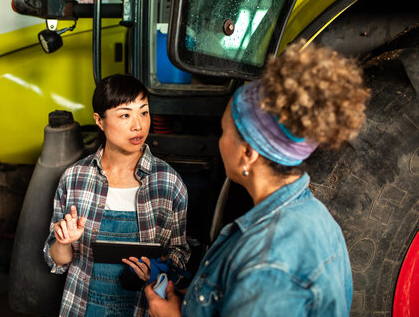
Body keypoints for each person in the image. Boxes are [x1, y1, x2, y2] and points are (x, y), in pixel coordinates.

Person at [145, 41, 370, 316]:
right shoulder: (315, 216)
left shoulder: (266, 263)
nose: (220, 141)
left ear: (248, 153)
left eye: (223, 131)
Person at [43, 74, 190, 317]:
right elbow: (58, 261)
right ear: (99, 121)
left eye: (143, 112)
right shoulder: (75, 178)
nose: (138, 125)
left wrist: (156, 271)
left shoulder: (168, 182)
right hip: (82, 307)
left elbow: (179, 255)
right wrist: (63, 241)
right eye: (125, 115)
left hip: (142, 307)